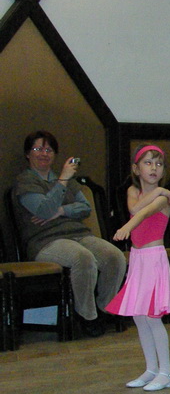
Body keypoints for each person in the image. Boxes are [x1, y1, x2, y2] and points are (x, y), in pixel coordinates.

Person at [12, 130, 126, 338]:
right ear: (28, 154)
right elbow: (44, 210)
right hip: (45, 240)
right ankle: (87, 316)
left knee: (114, 256)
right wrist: (63, 180)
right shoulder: (25, 182)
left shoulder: (68, 181)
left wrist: (62, 210)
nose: (44, 154)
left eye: (49, 150)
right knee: (82, 257)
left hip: (79, 234)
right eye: (38, 149)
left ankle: (104, 309)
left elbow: (85, 208)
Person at [105, 145, 170, 391]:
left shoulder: (163, 198)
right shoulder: (134, 191)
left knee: (152, 317)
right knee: (138, 316)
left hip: (154, 259)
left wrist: (127, 226)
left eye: (159, 164)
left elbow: (141, 213)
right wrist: (159, 189)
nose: (154, 168)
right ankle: (151, 369)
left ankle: (166, 372)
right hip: (138, 259)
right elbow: (134, 207)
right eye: (148, 163)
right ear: (136, 169)